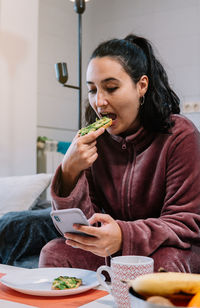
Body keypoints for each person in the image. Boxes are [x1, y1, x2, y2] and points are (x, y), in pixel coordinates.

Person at [39, 34, 200, 273]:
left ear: (141, 86)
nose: (99, 101)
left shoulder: (179, 135)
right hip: (115, 252)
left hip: (172, 248)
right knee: (54, 252)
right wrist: (70, 172)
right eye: (92, 90)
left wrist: (124, 236)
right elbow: (83, 227)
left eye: (111, 88)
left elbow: (185, 223)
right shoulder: (95, 141)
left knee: (166, 264)